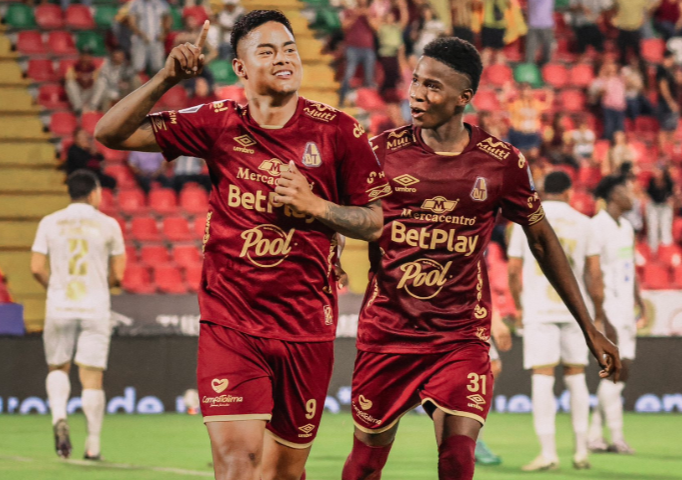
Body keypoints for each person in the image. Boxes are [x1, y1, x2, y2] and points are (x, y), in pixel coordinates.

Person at [94, 11, 391, 480]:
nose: (284, 59)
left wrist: (314, 206)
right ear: (240, 67)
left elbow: (374, 223)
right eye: (267, 51)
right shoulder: (218, 122)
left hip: (306, 327)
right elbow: (110, 133)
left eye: (289, 49)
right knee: (238, 462)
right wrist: (167, 77)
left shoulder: (339, 130)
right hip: (230, 322)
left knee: (283, 473)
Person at [341, 37, 620, 480]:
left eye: (432, 86)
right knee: (365, 463)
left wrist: (590, 328)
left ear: (463, 97)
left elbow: (543, 241)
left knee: (458, 457)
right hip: (389, 333)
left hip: (460, 336)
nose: (416, 94)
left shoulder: (501, 163)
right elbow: (345, 212)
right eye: (416, 81)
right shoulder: (380, 152)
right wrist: (335, 250)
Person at [508, 171, 604, 471]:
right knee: (576, 377)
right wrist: (596, 313)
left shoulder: (525, 221)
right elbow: (594, 274)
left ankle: (548, 453)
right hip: (575, 310)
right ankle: (581, 451)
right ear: (569, 192)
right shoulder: (585, 223)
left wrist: (520, 306)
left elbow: (513, 270)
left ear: (543, 191)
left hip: (539, 308)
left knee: (542, 377)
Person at [30, 169, 126, 460]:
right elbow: (119, 275)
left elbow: (36, 267)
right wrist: (101, 286)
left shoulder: (50, 222)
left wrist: (55, 287)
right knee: (92, 377)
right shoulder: (109, 224)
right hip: (95, 306)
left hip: (60, 305)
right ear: (94, 193)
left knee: (58, 368)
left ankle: (59, 416)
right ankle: (92, 446)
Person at [588, 175, 646, 455]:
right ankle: (616, 436)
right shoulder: (596, 226)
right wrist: (601, 315)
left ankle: (594, 435)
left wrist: (639, 299)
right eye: (625, 190)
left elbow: (629, 265)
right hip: (609, 307)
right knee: (615, 370)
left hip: (625, 307)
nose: (631, 195)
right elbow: (592, 272)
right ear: (612, 195)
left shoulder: (627, 227)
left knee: (623, 370)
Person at [339, 0, 380, 106]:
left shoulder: (371, 13)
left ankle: (367, 103)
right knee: (348, 74)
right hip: (352, 48)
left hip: (368, 49)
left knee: (369, 77)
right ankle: (342, 99)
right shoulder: (349, 11)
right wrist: (355, 15)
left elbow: (376, 28)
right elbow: (344, 27)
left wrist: (367, 16)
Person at [91, 47, 140, 112]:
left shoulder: (126, 66)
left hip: (123, 92)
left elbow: (131, 75)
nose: (118, 58)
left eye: (120, 56)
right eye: (116, 56)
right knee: (102, 86)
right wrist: (117, 84)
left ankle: (139, 104)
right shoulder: (107, 65)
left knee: (135, 80)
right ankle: (97, 110)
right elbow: (104, 79)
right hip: (110, 90)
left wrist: (125, 83)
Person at [128, 0, 171, 74]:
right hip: (140, 40)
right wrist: (141, 34)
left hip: (157, 39)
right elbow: (132, 22)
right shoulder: (136, 3)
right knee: (137, 67)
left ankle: (156, 81)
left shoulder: (161, 3)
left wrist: (164, 33)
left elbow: (167, 18)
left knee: (158, 68)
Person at [590, 62, 626, 141]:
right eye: (610, 69)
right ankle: (606, 143)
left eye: (613, 69)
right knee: (609, 127)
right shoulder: (603, 80)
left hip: (620, 107)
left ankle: (619, 144)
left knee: (620, 128)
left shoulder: (620, 79)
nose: (612, 70)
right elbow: (594, 91)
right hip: (609, 106)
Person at [646, 165, 675, 253]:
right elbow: (647, 193)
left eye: (659, 171)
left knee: (665, 227)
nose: (657, 173)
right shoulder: (651, 181)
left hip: (665, 206)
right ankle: (653, 251)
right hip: (653, 205)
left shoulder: (669, 181)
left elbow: (672, 194)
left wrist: (670, 200)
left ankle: (667, 250)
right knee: (653, 228)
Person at [656, 51, 680, 148]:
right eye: (671, 59)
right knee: (665, 128)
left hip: (671, 102)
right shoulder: (661, 70)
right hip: (665, 103)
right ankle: (663, 150)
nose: (673, 61)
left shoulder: (670, 71)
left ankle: (669, 149)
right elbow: (663, 88)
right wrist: (671, 102)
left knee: (672, 128)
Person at [65, 48, 99, 114]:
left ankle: (92, 106)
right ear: (81, 57)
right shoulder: (74, 67)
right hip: (79, 94)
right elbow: (68, 78)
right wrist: (79, 77)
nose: (86, 58)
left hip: (89, 93)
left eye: (88, 56)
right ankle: (78, 109)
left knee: (101, 82)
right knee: (70, 83)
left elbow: (95, 81)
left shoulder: (95, 69)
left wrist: (88, 79)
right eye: (84, 55)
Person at [525, 0, 554, 66]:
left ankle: (546, 66)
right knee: (530, 48)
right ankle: (530, 66)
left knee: (547, 49)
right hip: (533, 25)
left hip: (546, 25)